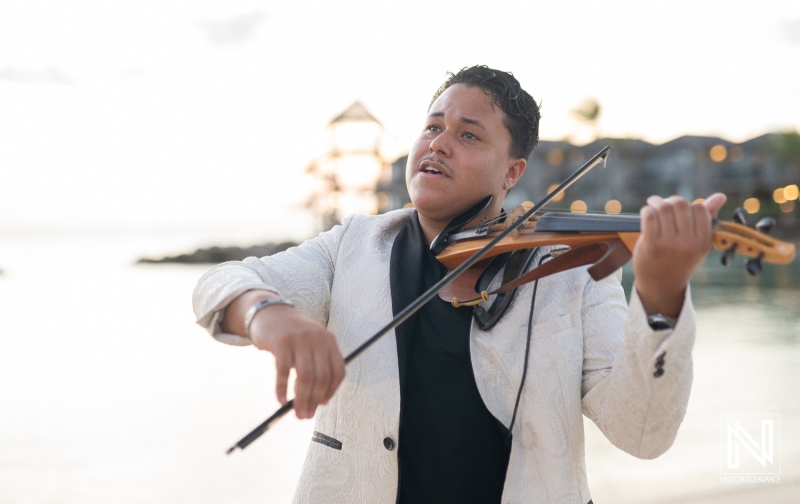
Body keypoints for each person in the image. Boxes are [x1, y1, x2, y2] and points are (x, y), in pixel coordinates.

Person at [193, 65, 726, 503]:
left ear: (512, 174)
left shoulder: (573, 272)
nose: (440, 143)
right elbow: (224, 283)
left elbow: (643, 434)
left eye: (468, 134)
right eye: (433, 126)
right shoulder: (354, 244)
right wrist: (270, 313)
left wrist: (660, 296)